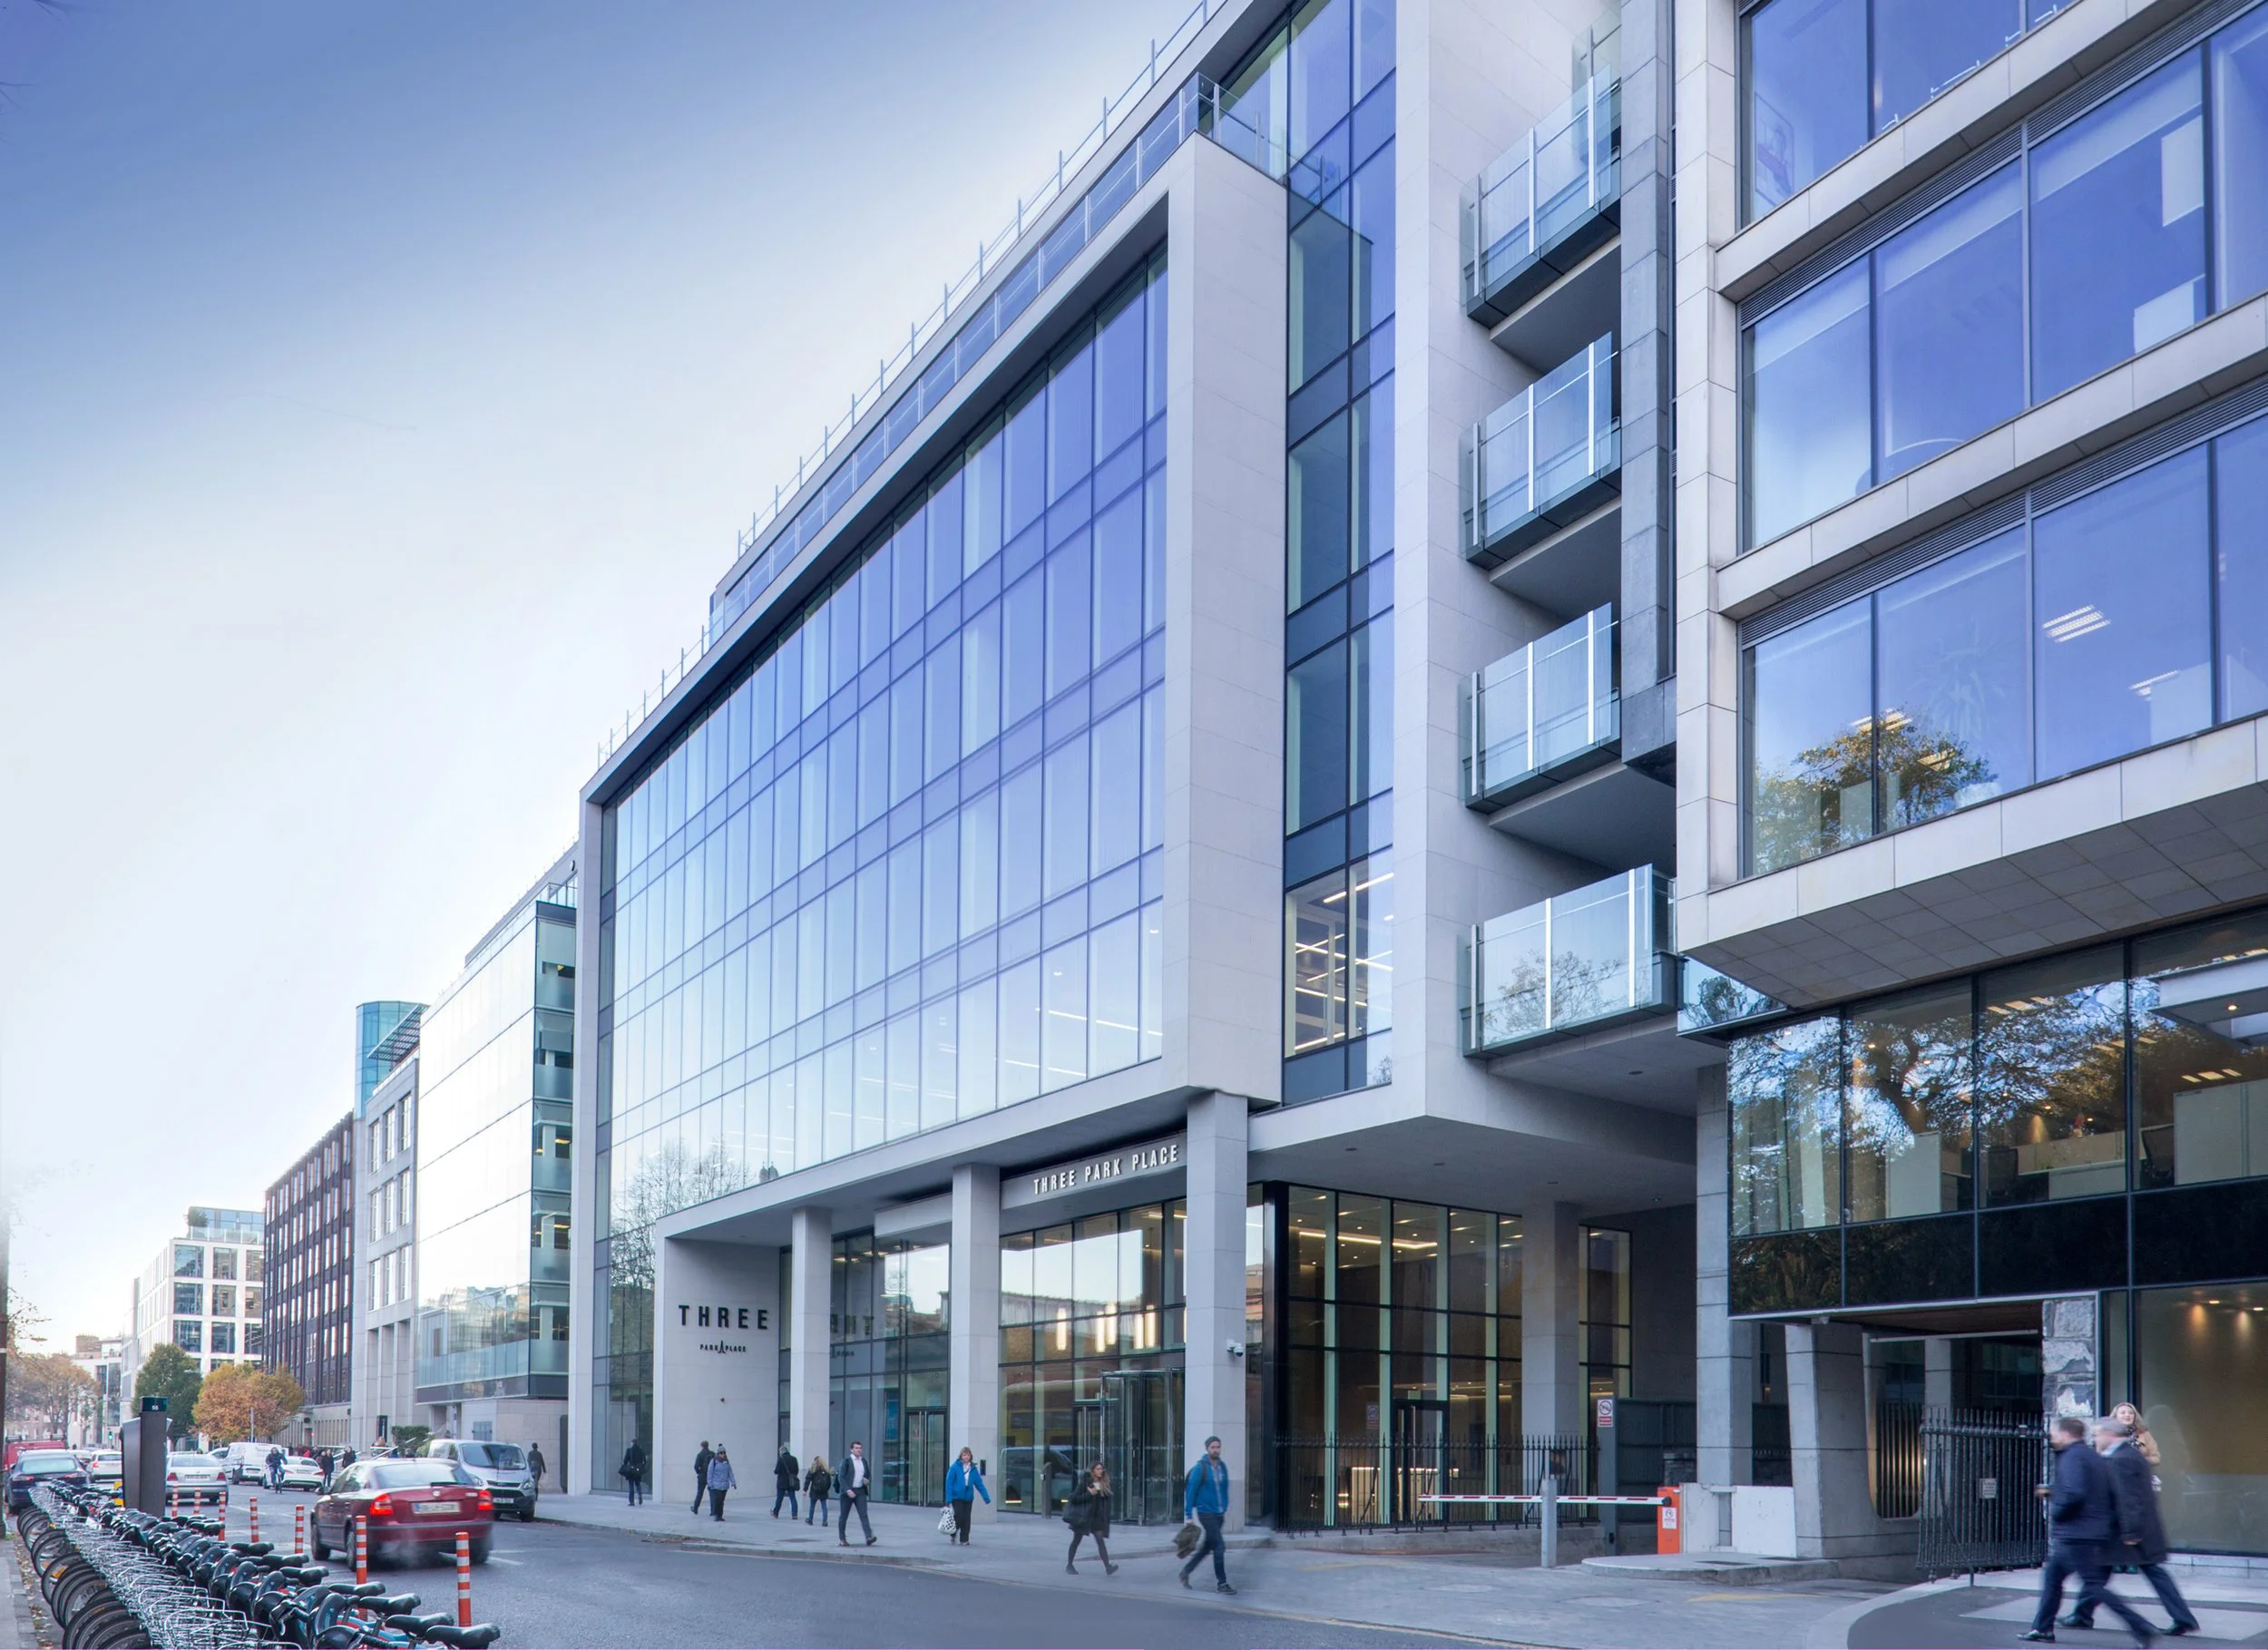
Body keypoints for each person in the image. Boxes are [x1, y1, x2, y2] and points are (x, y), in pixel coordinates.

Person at [2025, 1414, 2156, 1645]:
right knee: (2053, 1578)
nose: (2052, 1438)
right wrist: (2054, 1491)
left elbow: (2075, 1493)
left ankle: (2140, 1626)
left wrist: (2057, 1512)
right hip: (2087, 1531)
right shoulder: (2093, 1457)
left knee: (2093, 1585)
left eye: (2054, 1433)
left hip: (2076, 1533)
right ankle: (2042, 1628)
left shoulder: (2072, 1457)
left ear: (2065, 1434)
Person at [2066, 1418, 2197, 1637]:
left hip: (2130, 1530)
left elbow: (2128, 1499)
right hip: (2131, 1527)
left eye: (2097, 1434)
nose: (2094, 1439)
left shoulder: (2120, 1459)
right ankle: (2082, 1614)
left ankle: (2183, 1618)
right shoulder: (2127, 1454)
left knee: (2133, 1571)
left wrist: (2131, 1532)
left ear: (2109, 1434)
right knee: (2104, 1570)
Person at [1178, 1434, 1235, 1596]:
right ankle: (1222, 1583)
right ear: (1207, 1449)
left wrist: (1224, 1505)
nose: (1215, 1450)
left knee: (1207, 1546)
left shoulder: (1222, 1467)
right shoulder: (1200, 1468)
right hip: (1205, 1512)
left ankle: (1186, 1572)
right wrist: (1188, 1515)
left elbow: (1225, 1488)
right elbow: (1191, 1491)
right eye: (1213, 1447)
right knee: (1219, 1546)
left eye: (1218, 1447)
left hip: (1219, 1513)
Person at [1066, 1461, 1117, 1575]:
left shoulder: (1104, 1484)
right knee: (1076, 1540)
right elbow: (1074, 1498)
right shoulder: (1085, 1483)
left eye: (1101, 1469)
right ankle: (1069, 1564)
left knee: (1100, 1540)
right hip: (1084, 1517)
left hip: (1096, 1517)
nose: (1100, 1471)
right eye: (1098, 1469)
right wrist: (1090, 1494)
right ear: (1093, 1470)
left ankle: (1108, 1567)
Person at [944, 1447, 989, 1546]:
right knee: (959, 1516)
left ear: (970, 1456)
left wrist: (986, 1497)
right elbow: (949, 1483)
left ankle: (964, 1539)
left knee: (967, 1519)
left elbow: (979, 1484)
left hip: (968, 1497)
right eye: (964, 1455)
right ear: (961, 1456)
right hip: (957, 1497)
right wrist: (948, 1498)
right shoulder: (954, 1467)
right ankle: (953, 1532)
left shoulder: (973, 1469)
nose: (966, 1457)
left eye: (968, 1455)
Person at [837, 1440, 876, 1546]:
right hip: (848, 1492)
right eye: (856, 1448)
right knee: (844, 1516)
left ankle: (869, 1537)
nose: (859, 1450)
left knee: (863, 1514)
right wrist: (847, 1490)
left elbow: (868, 1475)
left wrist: (867, 1480)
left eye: (860, 1448)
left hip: (860, 1491)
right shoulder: (846, 1461)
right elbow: (841, 1477)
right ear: (851, 1449)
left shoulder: (863, 1461)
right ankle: (842, 1539)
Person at [706, 1446, 737, 1521]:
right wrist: (710, 1484)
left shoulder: (727, 1462)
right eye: (721, 1453)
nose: (723, 1454)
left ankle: (720, 1516)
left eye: (724, 1453)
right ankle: (716, 1515)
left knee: (721, 1501)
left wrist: (733, 1482)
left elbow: (730, 1472)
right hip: (716, 1485)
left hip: (724, 1485)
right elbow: (710, 1473)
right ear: (718, 1453)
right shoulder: (714, 1461)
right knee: (717, 1500)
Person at [771, 1444, 801, 1519]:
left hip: (782, 1482)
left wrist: (775, 1470)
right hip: (791, 1482)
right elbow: (796, 1470)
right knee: (793, 1498)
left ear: (781, 1452)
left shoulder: (780, 1459)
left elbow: (776, 1471)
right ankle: (794, 1514)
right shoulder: (794, 1459)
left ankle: (776, 1513)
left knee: (779, 1498)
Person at [804, 1454, 833, 1527]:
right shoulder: (826, 1470)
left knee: (812, 1506)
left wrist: (805, 1490)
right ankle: (825, 1521)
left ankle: (810, 1520)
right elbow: (829, 1482)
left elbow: (808, 1480)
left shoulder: (812, 1470)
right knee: (824, 1507)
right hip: (823, 1492)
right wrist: (826, 1489)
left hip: (814, 1491)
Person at [620, 1439, 648, 1506]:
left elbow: (625, 1461)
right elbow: (644, 1461)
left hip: (631, 1471)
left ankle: (632, 1501)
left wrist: (625, 1466)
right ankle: (640, 1495)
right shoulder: (641, 1451)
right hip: (638, 1471)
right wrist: (641, 1467)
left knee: (631, 1485)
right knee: (638, 1484)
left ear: (632, 1443)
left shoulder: (629, 1450)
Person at [691, 1440, 714, 1515]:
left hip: (702, 1476)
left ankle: (695, 1508)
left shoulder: (700, 1455)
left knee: (700, 1493)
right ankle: (713, 1511)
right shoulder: (712, 1454)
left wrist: (699, 1472)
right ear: (708, 1445)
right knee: (712, 1494)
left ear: (701, 1446)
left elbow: (696, 1466)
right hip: (711, 1477)